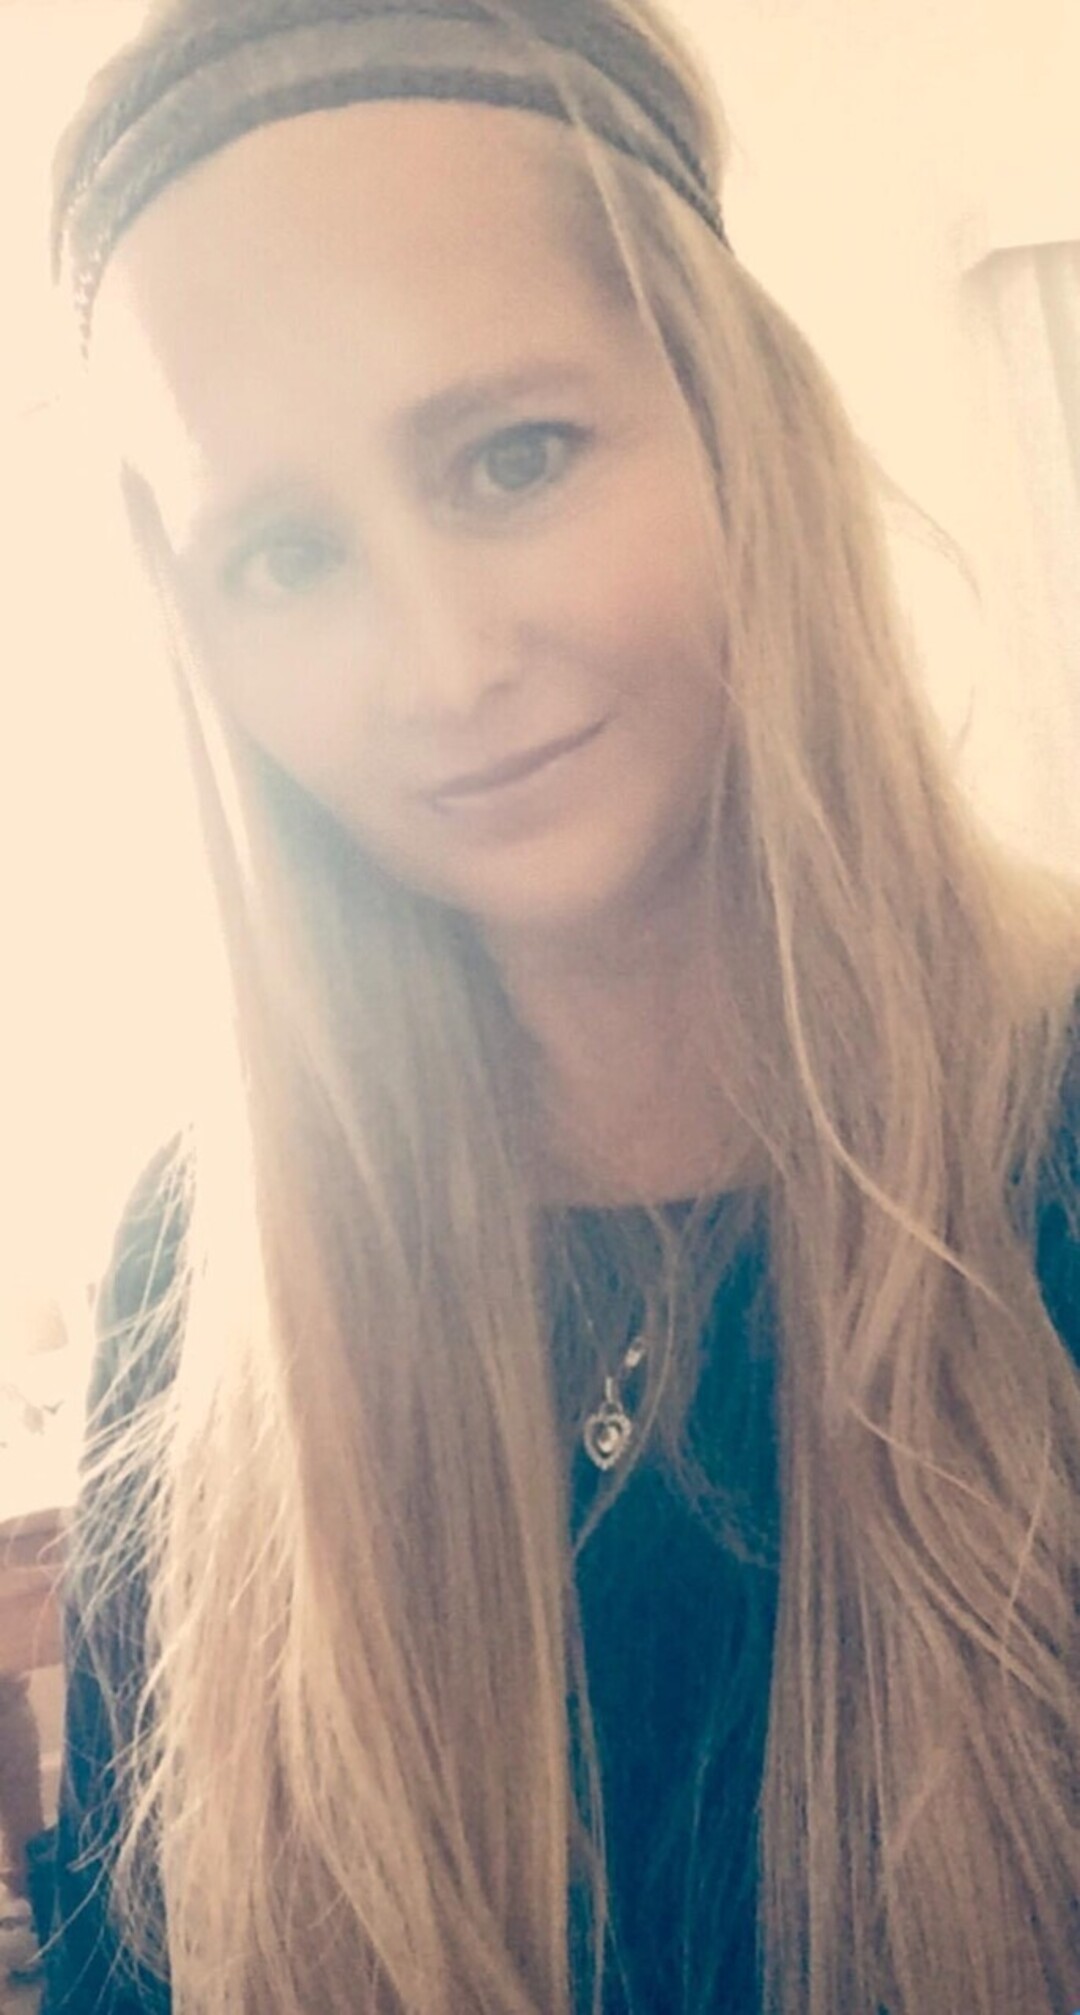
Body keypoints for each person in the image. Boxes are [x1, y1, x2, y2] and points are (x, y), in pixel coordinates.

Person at [29, 1, 1080, 2011]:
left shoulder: (1058, 1136)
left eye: (513, 458)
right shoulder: (200, 1282)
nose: (442, 667)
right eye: (285, 553)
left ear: (735, 418)